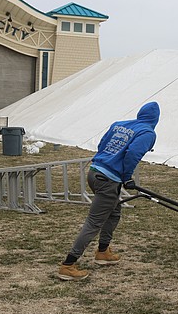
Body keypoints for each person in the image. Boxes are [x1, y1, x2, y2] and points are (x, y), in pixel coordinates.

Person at [58, 101, 160, 281]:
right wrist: (127, 176)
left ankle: (103, 252)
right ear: (156, 119)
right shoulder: (147, 132)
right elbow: (133, 154)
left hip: (95, 171)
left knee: (113, 212)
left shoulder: (120, 125)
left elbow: (103, 144)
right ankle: (68, 265)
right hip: (109, 180)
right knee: (94, 222)